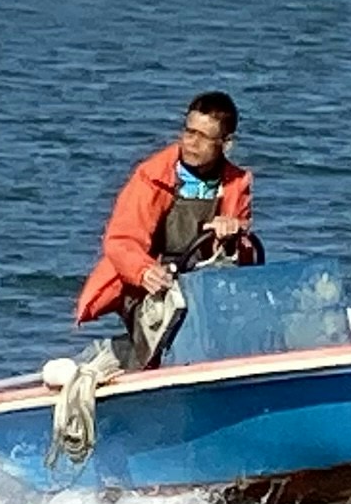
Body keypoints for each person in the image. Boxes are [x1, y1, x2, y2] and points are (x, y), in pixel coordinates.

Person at [76, 90, 255, 353]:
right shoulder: (152, 176)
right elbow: (121, 240)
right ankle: (113, 357)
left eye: (203, 137)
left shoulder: (237, 183)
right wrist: (144, 272)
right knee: (167, 334)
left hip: (203, 288)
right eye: (189, 132)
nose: (191, 143)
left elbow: (244, 258)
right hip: (146, 287)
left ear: (226, 144)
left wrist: (230, 238)